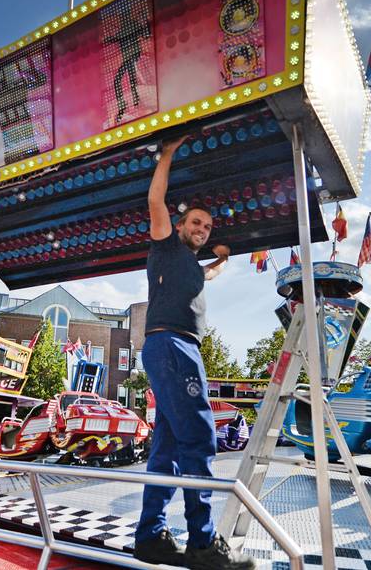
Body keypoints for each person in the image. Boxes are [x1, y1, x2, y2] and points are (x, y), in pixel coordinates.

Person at [133, 134, 253, 570]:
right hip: (172, 345)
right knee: (199, 437)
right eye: (196, 223)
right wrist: (168, 154)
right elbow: (155, 200)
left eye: (207, 227)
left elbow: (205, 278)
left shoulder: (193, 269)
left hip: (177, 348)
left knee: (165, 446)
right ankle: (203, 545)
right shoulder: (165, 246)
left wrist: (220, 260)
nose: (201, 230)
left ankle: (150, 537)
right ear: (180, 225)